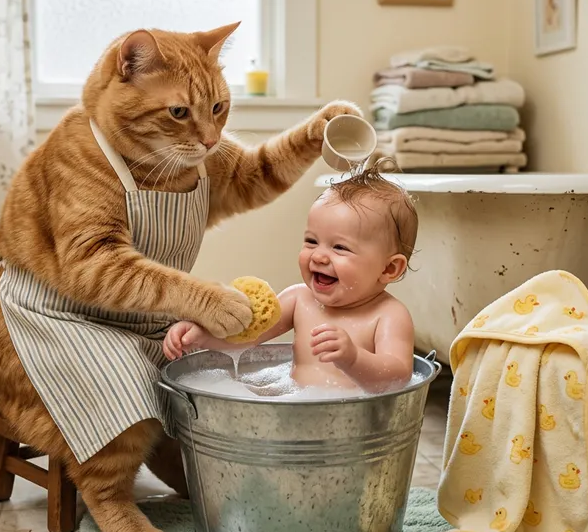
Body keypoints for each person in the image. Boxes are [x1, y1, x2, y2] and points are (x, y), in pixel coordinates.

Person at [163, 160, 418, 393]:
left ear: (389, 269)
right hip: (295, 409)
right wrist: (201, 335)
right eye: (311, 241)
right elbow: (245, 339)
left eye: (339, 247)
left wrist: (353, 358)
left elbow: (396, 378)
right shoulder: (299, 299)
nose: (318, 256)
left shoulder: (389, 315)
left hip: (355, 424)